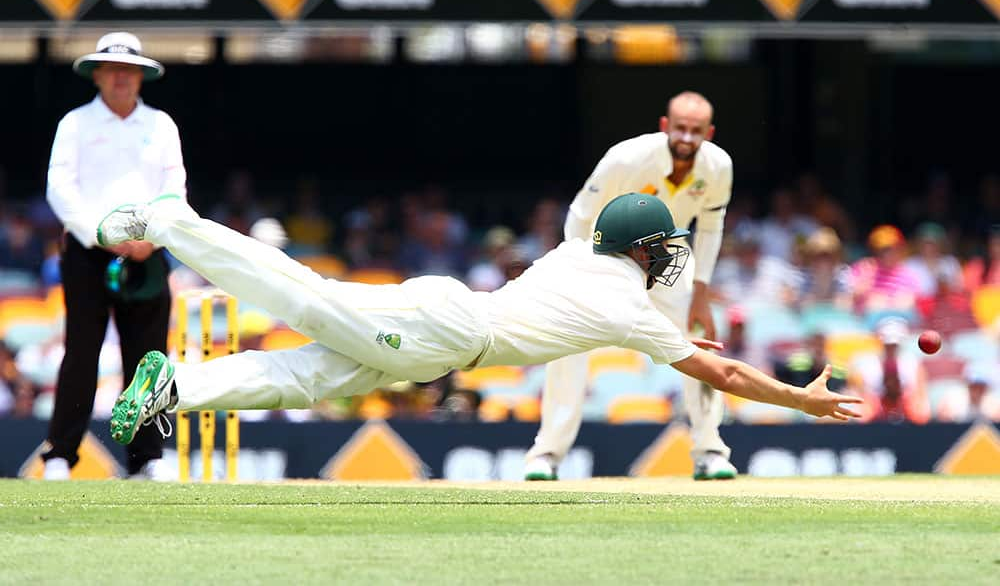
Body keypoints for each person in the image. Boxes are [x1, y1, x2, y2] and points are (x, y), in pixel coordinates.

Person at [96, 192, 860, 447]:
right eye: (662, 245)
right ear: (641, 248)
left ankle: (172, 389)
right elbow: (720, 373)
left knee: (305, 378)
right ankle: (174, 224)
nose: (670, 258)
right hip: (450, 327)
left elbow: (598, 312)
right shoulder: (631, 307)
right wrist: (801, 398)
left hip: (445, 340)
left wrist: (678, 339)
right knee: (305, 294)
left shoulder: (574, 257)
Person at [524, 92, 739, 482]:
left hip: (669, 256)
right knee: (565, 344)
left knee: (698, 342)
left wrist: (702, 294)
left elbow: (709, 226)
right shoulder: (626, 157)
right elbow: (579, 216)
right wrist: (579, 270)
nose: (687, 138)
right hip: (603, 251)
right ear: (665, 127)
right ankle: (547, 456)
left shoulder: (718, 165)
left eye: (696, 131)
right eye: (680, 129)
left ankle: (710, 451)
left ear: (708, 133)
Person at [41, 32, 186, 480]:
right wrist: (104, 236)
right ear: (98, 75)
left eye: (129, 70)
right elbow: (60, 190)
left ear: (141, 76)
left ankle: (147, 459)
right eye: (113, 69)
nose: (122, 78)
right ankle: (61, 454)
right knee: (81, 353)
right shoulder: (76, 124)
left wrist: (151, 239)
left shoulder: (160, 125)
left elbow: (174, 189)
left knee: (148, 359)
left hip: (148, 251)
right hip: (89, 252)